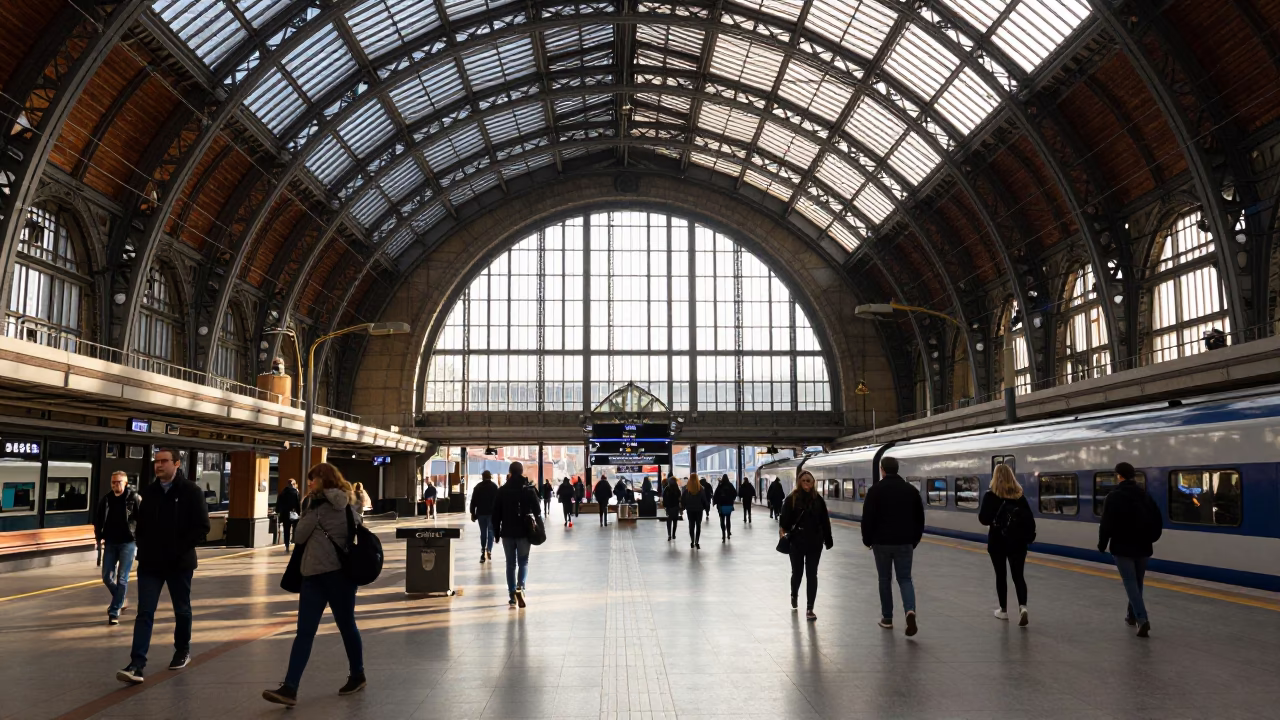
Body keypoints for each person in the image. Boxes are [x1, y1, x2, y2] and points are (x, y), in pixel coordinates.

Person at [262, 463, 366, 706]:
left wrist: (310, 513)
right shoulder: (349, 504)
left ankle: (290, 687)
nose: (309, 483)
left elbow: (298, 536)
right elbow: (357, 526)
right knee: (347, 626)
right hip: (342, 576)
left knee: (305, 633)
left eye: (313, 479)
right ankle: (357, 674)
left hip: (316, 577)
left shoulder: (315, 506)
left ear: (324, 480)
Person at [116, 448, 210, 685]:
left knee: (182, 609)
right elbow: (140, 524)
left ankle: (182, 650)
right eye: (156, 461)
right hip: (151, 563)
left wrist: (178, 549)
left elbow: (202, 527)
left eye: (164, 461)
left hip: (179, 563)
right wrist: (143, 547)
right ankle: (136, 664)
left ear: (176, 464)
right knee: (145, 612)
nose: (158, 465)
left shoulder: (191, 491)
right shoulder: (149, 492)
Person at [860, 456, 923, 637]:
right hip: (905, 542)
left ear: (882, 470)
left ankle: (887, 618)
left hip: (881, 543)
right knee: (905, 579)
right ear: (897, 469)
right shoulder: (910, 490)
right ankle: (909, 611)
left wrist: (867, 539)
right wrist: (915, 540)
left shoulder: (875, 491)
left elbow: (868, 518)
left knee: (884, 579)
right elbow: (919, 518)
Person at [1098, 461, 1163, 638]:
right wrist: (1151, 538)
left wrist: (1102, 544)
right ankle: (1132, 616)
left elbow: (1106, 524)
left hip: (1122, 547)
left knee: (1130, 583)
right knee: (1137, 582)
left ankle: (1142, 619)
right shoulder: (1145, 495)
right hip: (1143, 546)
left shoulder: (1113, 497)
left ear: (1119, 476)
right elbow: (1157, 520)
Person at [978, 463, 1036, 627]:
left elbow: (983, 519)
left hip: (997, 541)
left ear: (995, 478)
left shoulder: (990, 496)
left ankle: (1003, 611)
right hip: (1018, 542)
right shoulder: (1020, 497)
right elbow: (1029, 519)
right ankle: (1022, 607)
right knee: (1019, 576)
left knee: (1001, 575)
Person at [779, 471, 833, 621]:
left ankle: (810, 608)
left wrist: (828, 540)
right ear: (799, 482)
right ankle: (794, 594)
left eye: (809, 481)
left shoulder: (818, 500)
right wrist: (785, 532)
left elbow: (825, 521)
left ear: (813, 482)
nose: (806, 484)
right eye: (803, 481)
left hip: (815, 542)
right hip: (796, 542)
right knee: (797, 573)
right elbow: (784, 522)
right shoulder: (791, 499)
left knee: (812, 574)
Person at [492, 462, 542, 608]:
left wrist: (496, 533)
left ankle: (512, 594)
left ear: (510, 472)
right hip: (524, 532)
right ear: (521, 472)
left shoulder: (502, 490)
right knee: (523, 562)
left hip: (507, 532)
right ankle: (521, 587)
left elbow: (495, 514)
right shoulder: (528, 490)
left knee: (510, 564)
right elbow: (538, 510)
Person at [95, 471, 139, 625]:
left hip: (128, 543)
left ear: (125, 483)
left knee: (122, 578)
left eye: (118, 482)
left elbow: (143, 520)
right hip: (110, 543)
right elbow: (98, 520)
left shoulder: (134, 499)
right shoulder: (106, 500)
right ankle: (120, 599)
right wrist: (98, 538)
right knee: (107, 577)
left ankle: (114, 612)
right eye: (113, 482)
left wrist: (140, 540)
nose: (115, 485)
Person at [470, 470, 499, 564]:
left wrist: (472, 513)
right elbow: (498, 501)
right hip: (491, 513)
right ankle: (489, 549)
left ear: (482, 477)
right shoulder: (494, 487)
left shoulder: (478, 487)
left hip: (481, 513)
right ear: (490, 477)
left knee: (483, 532)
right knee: (491, 531)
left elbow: (473, 501)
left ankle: (483, 549)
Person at [681, 474, 707, 549]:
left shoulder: (687, 489)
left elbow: (683, 499)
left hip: (690, 510)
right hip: (699, 509)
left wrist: (683, 507)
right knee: (698, 525)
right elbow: (704, 499)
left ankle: (692, 540)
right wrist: (705, 507)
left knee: (691, 525)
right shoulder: (700, 488)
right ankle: (697, 541)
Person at [277, 478, 301, 552]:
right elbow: (298, 504)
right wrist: (299, 513)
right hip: (294, 514)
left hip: (285, 514)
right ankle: (294, 541)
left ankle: (287, 545)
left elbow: (278, 504)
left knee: (286, 530)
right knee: (295, 529)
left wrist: (279, 512)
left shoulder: (282, 492)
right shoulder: (295, 492)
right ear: (294, 484)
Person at [713, 474, 737, 542]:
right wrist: (731, 500)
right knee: (728, 519)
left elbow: (716, 495)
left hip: (721, 505)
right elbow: (735, 493)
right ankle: (728, 533)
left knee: (722, 520)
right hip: (728, 505)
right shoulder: (730, 485)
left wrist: (715, 502)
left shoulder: (720, 486)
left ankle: (723, 534)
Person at [662, 475, 682, 541]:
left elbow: (664, 498)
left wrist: (665, 506)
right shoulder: (677, 489)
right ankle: (673, 534)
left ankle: (669, 535)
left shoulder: (667, 489)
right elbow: (680, 498)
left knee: (669, 521)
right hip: (675, 507)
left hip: (669, 507)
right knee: (675, 521)